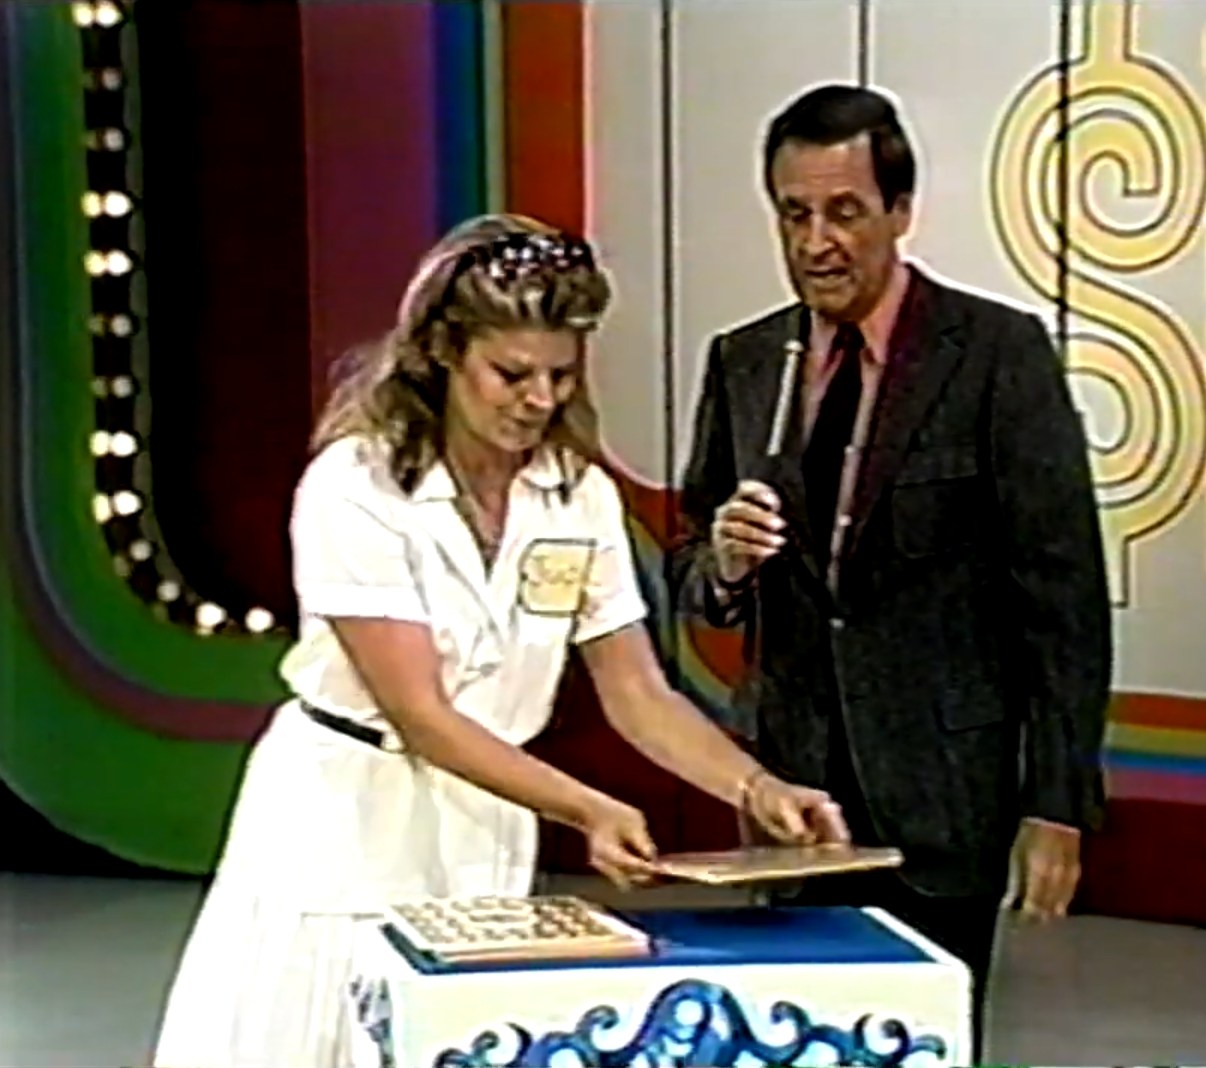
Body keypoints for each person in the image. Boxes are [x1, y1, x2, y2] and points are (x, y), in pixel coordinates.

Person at [150, 213, 848, 1068]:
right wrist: (583, 807)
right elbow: (419, 714)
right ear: (444, 351)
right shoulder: (357, 486)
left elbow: (636, 692)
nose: (540, 399)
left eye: (560, 374)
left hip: (486, 825)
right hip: (344, 821)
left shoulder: (576, 495)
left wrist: (754, 786)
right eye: (511, 373)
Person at [670, 84, 1112, 1059]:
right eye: (794, 214)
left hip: (942, 800)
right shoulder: (744, 362)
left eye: (844, 212)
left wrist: (1057, 802)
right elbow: (688, 562)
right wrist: (724, 566)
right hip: (788, 799)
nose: (816, 242)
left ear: (899, 213)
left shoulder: (996, 355)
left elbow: (1063, 596)